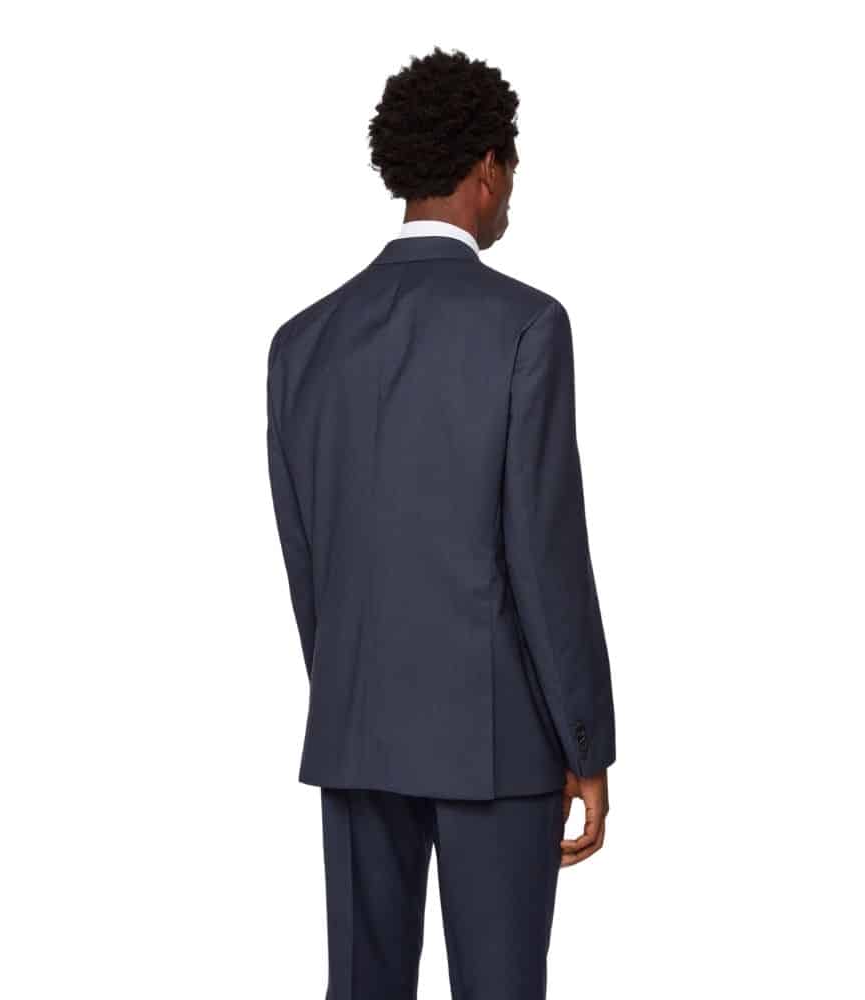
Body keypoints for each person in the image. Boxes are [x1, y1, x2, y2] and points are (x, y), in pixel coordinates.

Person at [266, 46, 615, 1000]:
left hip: (357, 729)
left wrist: (354, 692)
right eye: (514, 172)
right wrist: (586, 742)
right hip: (498, 744)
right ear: (487, 168)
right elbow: (545, 553)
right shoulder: (527, 325)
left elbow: (308, 561)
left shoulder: (302, 343)